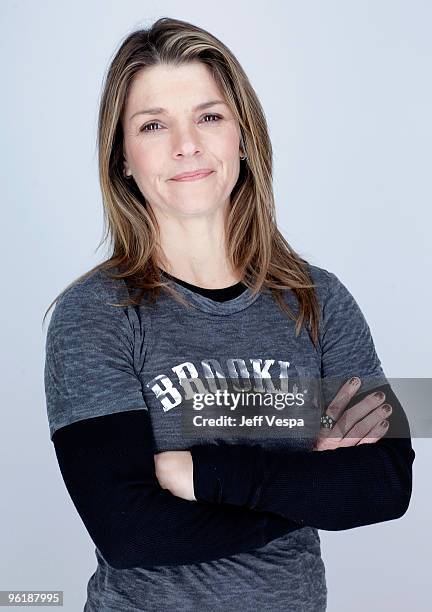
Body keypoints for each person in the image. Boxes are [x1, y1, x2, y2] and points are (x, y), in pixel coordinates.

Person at [43, 17, 414, 611]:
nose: (185, 144)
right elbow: (130, 531)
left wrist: (207, 477)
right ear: (123, 159)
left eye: (209, 116)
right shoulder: (95, 314)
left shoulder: (318, 299)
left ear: (244, 136)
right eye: (153, 124)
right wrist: (306, 491)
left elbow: (387, 486)